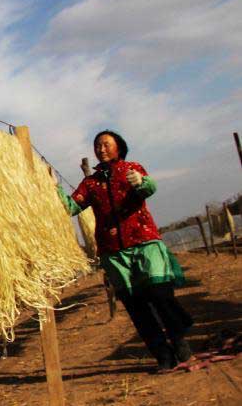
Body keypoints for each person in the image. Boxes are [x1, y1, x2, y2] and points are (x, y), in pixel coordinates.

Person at [56, 130, 193, 372]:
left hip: (144, 241)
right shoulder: (91, 182)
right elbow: (71, 206)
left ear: (119, 147)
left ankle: (179, 339)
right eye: (98, 145)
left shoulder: (132, 169)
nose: (101, 149)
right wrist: (52, 188)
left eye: (106, 144)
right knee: (137, 307)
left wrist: (141, 182)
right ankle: (163, 356)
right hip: (113, 252)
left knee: (160, 294)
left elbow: (148, 188)